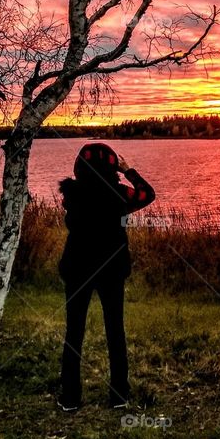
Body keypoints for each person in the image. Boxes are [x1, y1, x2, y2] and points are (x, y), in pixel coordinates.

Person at [57, 142, 155, 412]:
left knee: (74, 332)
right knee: (115, 331)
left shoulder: (72, 195)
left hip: (77, 268)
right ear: (113, 167)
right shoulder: (120, 195)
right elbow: (148, 195)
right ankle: (119, 395)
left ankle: (70, 398)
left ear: (80, 167)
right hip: (111, 269)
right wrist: (128, 170)